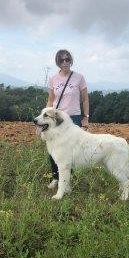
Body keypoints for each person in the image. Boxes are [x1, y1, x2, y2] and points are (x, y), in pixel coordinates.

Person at [46, 49, 90, 187]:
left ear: (71, 60)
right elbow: (51, 99)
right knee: (54, 148)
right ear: (58, 62)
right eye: (61, 60)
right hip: (56, 119)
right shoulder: (53, 79)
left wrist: (86, 118)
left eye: (67, 59)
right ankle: (56, 178)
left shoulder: (79, 77)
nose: (65, 62)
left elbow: (85, 99)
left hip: (74, 118)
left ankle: (69, 180)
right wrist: (45, 116)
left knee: (72, 150)